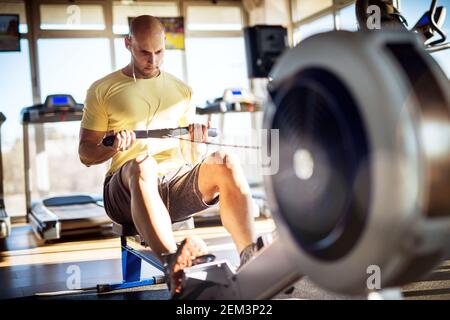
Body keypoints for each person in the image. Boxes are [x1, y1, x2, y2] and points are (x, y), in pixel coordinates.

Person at [78, 15, 257, 297]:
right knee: (142, 164)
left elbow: (189, 157)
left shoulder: (182, 91)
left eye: (159, 52)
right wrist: (113, 147)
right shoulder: (103, 89)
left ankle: (251, 258)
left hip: (172, 183)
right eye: (144, 52)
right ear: (128, 44)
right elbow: (86, 153)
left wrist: (196, 142)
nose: (153, 60)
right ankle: (175, 265)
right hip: (124, 188)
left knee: (226, 161)